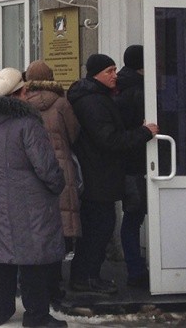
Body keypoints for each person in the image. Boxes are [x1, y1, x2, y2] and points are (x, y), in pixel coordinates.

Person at [0, 68, 68, 328]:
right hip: (28, 203)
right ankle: (36, 315)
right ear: (20, 93)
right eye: (25, 90)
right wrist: (59, 184)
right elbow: (46, 167)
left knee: (3, 256)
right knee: (32, 259)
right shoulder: (27, 124)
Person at [66, 54, 158, 294]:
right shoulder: (93, 102)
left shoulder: (97, 97)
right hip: (97, 175)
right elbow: (108, 139)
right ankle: (85, 278)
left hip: (100, 174)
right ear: (96, 74)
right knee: (99, 228)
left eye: (115, 69)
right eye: (109, 70)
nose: (114, 75)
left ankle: (89, 276)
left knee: (101, 227)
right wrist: (143, 133)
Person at [23, 60, 82, 249]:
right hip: (62, 164)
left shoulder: (23, 104)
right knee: (64, 214)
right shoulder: (61, 103)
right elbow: (73, 134)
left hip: (33, 165)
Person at [115, 45, 149, 288]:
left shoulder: (121, 87)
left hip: (127, 163)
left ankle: (137, 268)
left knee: (133, 216)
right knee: (134, 216)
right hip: (136, 164)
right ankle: (136, 271)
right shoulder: (137, 91)